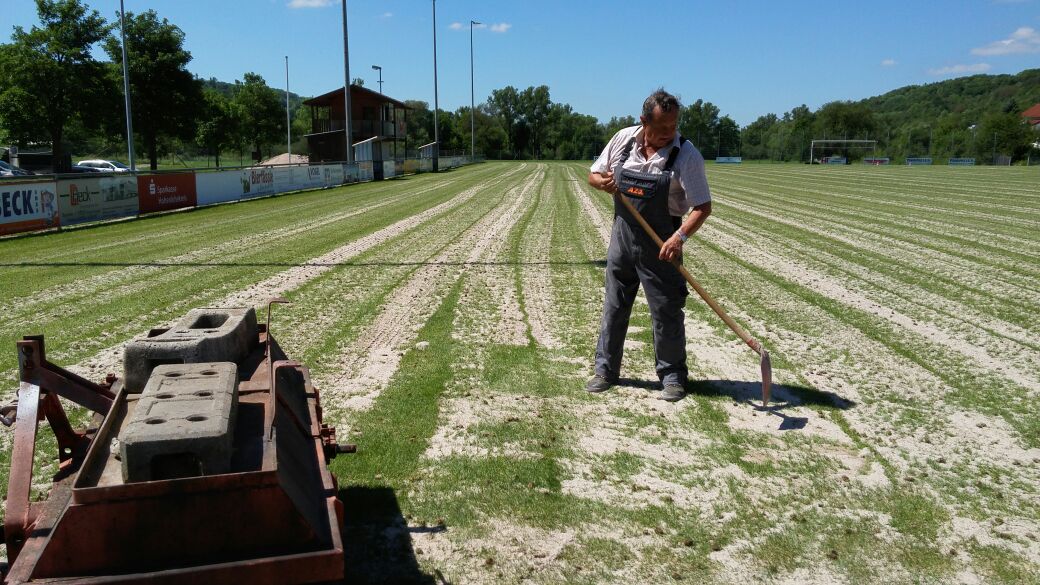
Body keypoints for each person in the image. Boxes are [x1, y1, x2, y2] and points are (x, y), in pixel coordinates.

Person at [586, 89, 712, 401]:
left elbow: (702, 207)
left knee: (666, 310)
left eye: (674, 125)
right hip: (623, 236)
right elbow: (594, 175)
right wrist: (602, 183)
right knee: (614, 307)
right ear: (644, 121)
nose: (671, 132)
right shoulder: (623, 139)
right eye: (663, 127)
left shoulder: (686, 154)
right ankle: (605, 370)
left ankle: (672, 377)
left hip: (662, 241)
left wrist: (678, 238)